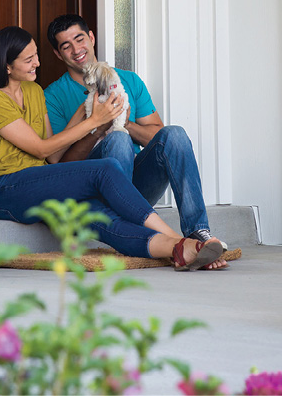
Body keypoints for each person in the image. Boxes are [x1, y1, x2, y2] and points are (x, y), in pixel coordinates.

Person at [0, 25, 225, 270]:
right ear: (6, 65)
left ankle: (177, 250)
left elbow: (54, 155)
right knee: (104, 169)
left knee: (100, 217)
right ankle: (181, 239)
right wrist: (94, 121)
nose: (37, 63)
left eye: (36, 55)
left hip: (39, 182)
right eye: (28, 60)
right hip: (3, 188)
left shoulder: (34, 91)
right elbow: (41, 149)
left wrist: (85, 110)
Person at [44, 13, 228, 260]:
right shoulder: (53, 95)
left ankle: (198, 233)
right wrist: (98, 128)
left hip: (135, 187)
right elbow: (61, 165)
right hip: (94, 196)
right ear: (58, 54)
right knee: (116, 140)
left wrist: (125, 123)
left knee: (175, 134)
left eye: (80, 39)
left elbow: (158, 136)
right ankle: (131, 233)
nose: (77, 49)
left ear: (91, 37)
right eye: (66, 46)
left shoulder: (128, 80)